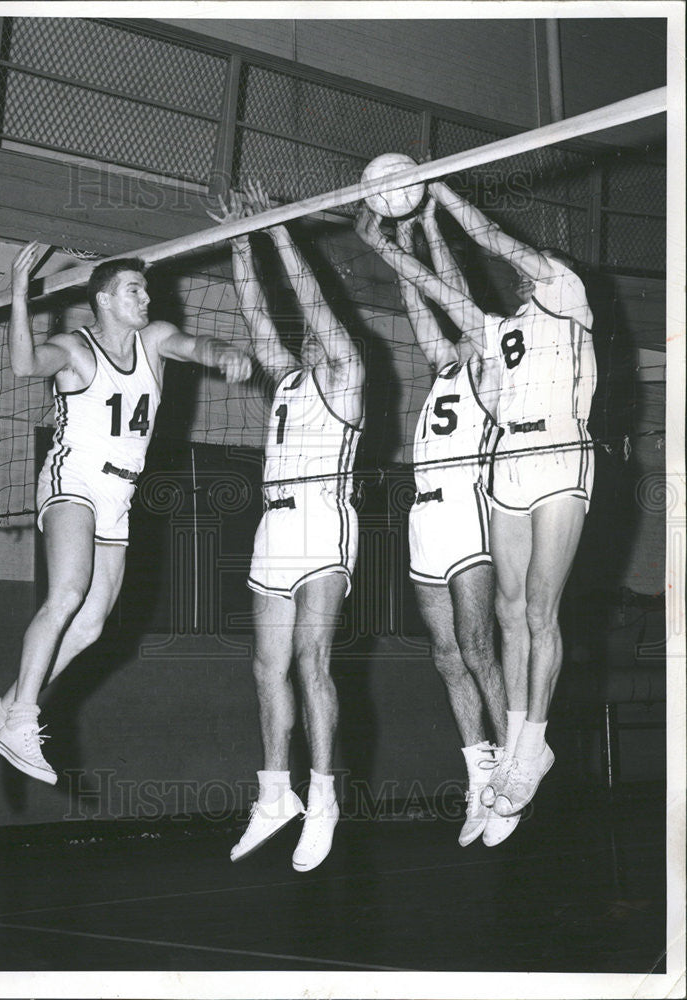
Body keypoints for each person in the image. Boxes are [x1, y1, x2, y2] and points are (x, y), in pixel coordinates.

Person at [0, 246, 251, 793]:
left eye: (146, 290)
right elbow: (24, 366)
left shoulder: (155, 339)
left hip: (121, 492)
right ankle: (24, 719)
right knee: (67, 592)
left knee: (92, 625)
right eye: (133, 290)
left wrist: (224, 353)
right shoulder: (75, 348)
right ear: (103, 299)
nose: (146, 298)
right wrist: (21, 290)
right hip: (74, 477)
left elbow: (196, 345)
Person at [356, 177, 595, 821]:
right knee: (511, 609)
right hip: (508, 465)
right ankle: (517, 741)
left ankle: (533, 743)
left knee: (540, 610)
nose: (525, 273)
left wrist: (436, 192)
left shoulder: (567, 298)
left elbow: (490, 240)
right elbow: (438, 293)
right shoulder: (497, 331)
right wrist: (385, 249)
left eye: (534, 266)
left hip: (559, 453)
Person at [208, 182, 364, 872]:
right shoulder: (288, 378)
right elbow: (255, 317)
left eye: (320, 329)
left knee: (311, 663)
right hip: (271, 530)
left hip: (323, 525)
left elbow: (315, 305)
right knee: (264, 667)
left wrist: (277, 228)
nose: (312, 333)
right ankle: (276, 794)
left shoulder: (349, 376)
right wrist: (240, 241)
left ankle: (324, 797)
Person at [358, 197, 514, 847]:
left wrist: (422, 234)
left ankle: (513, 775)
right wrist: (401, 242)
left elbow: (449, 295)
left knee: (478, 647)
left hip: (468, 511)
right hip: (423, 518)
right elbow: (419, 305)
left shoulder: (489, 359)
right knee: (446, 656)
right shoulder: (447, 365)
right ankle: (478, 778)